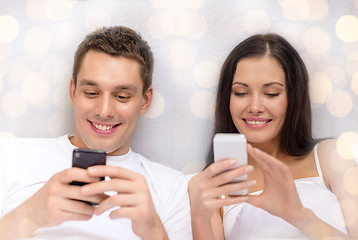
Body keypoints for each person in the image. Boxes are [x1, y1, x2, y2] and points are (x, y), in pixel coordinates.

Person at [0, 26, 192, 240]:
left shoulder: (171, 186)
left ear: (145, 101)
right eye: (92, 93)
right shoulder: (10, 157)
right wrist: (30, 215)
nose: (104, 111)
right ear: (73, 92)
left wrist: (154, 231)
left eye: (122, 96)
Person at [189, 33, 358, 239]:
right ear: (227, 99)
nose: (255, 107)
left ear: (293, 97)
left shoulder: (331, 156)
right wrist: (199, 217)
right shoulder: (207, 185)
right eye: (241, 93)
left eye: (271, 94)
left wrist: (298, 215)